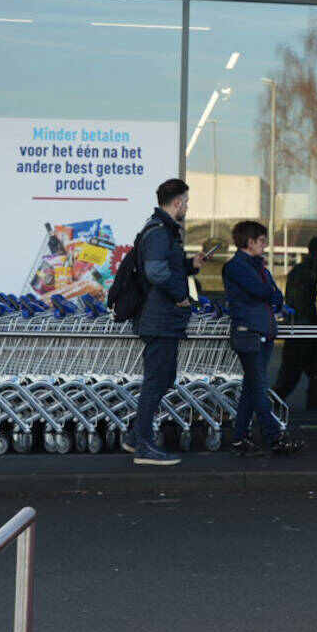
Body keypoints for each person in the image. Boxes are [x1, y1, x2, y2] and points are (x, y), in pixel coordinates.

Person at [130, 177, 205, 465]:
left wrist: (190, 266)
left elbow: (167, 268)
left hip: (164, 318)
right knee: (156, 380)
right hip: (160, 318)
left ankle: (136, 436)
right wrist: (179, 296)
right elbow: (157, 272)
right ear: (177, 202)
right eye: (186, 201)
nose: (187, 206)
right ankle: (143, 445)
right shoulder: (161, 231)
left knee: (164, 377)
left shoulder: (163, 230)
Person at [222, 220, 302, 456]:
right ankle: (274, 436)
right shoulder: (237, 267)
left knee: (251, 388)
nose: (265, 246)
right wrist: (271, 294)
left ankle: (239, 438)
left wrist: (272, 294)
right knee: (258, 387)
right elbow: (264, 291)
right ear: (249, 242)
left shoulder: (259, 268)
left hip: (263, 332)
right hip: (249, 333)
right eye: (262, 241)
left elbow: (276, 294)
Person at [272, 234, 317, 417]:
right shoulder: (310, 272)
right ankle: (311, 404)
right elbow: (304, 302)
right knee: (303, 374)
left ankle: (274, 403)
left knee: (297, 375)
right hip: (305, 330)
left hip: (300, 331)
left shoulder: (300, 271)